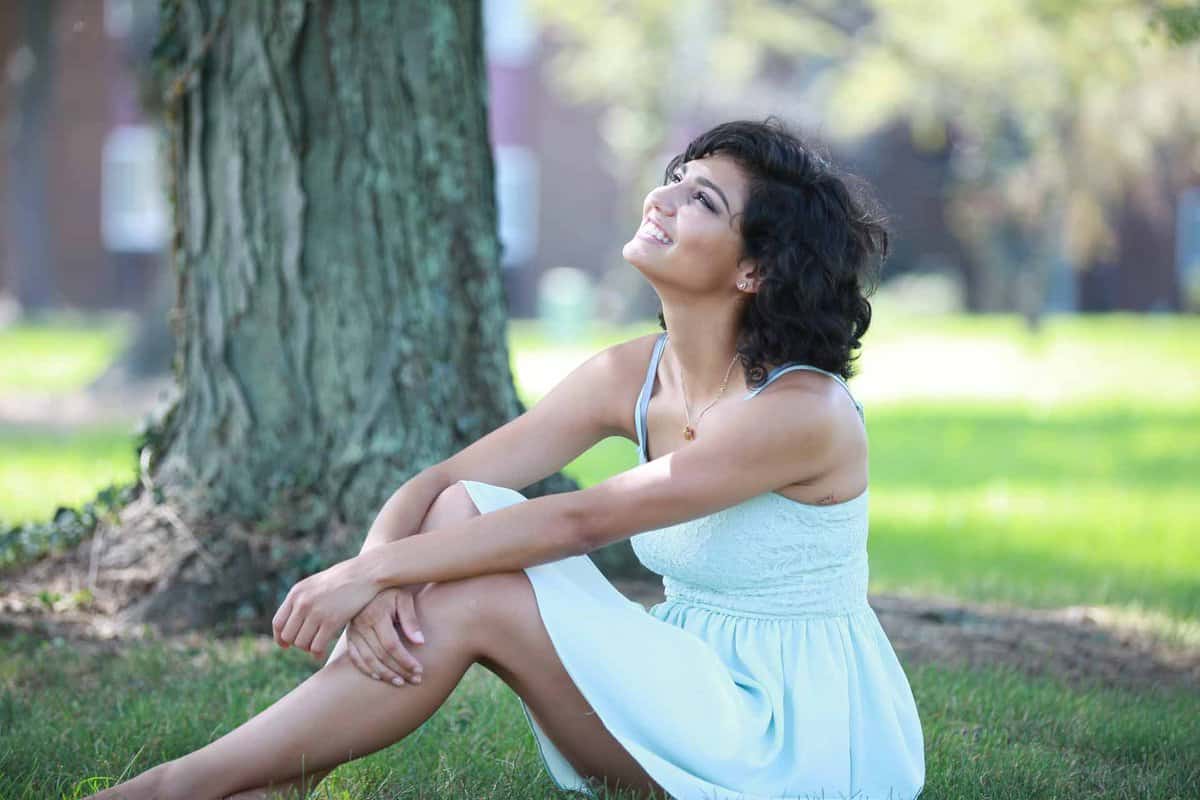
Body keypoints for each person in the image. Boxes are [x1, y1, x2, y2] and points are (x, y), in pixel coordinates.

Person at [85, 116, 925, 800]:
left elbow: (582, 518)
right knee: (466, 511)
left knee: (483, 591)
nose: (661, 198)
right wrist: (374, 572)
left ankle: (183, 788)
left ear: (753, 269)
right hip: (686, 678)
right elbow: (446, 481)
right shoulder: (632, 373)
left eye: (700, 197)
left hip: (789, 738)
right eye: (674, 176)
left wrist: (364, 582)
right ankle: (261, 783)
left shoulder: (799, 413)